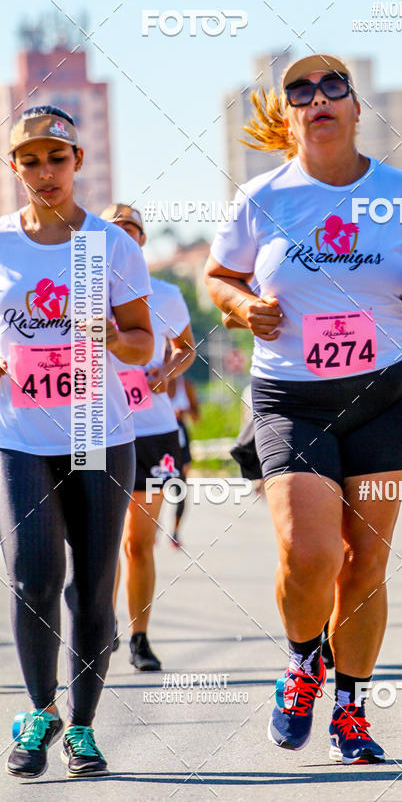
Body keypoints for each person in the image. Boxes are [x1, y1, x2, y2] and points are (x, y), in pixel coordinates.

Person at [204, 54, 402, 763]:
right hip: (293, 398)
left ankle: (351, 708)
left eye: (332, 86)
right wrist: (246, 304)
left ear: (354, 108)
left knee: (366, 562)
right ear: (290, 116)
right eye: (300, 91)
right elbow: (217, 276)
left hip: (387, 395)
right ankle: (301, 661)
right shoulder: (263, 197)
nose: (317, 98)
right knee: (310, 554)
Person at [0, 106, 153, 779]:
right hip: (20, 436)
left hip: (98, 432)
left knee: (92, 587)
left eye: (56, 158)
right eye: (29, 160)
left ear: (78, 163)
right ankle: (39, 711)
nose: (44, 172)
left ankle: (83, 726)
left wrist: (111, 339)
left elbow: (145, 343)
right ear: (14, 169)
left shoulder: (112, 246)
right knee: (35, 575)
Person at [102, 205, 195, 670]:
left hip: (155, 432)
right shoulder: (83, 295)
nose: (124, 240)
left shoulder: (168, 294)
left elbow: (186, 348)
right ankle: (101, 629)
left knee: (139, 541)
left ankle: (139, 638)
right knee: (100, 541)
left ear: (140, 243)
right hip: (97, 428)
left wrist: (167, 371)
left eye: (132, 233)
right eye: (113, 232)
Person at [168, 374, 200, 547]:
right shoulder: (152, 378)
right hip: (159, 443)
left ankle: (175, 533)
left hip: (180, 444)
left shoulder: (185, 385)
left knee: (180, 492)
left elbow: (197, 416)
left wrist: (184, 412)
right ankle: (152, 528)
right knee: (153, 490)